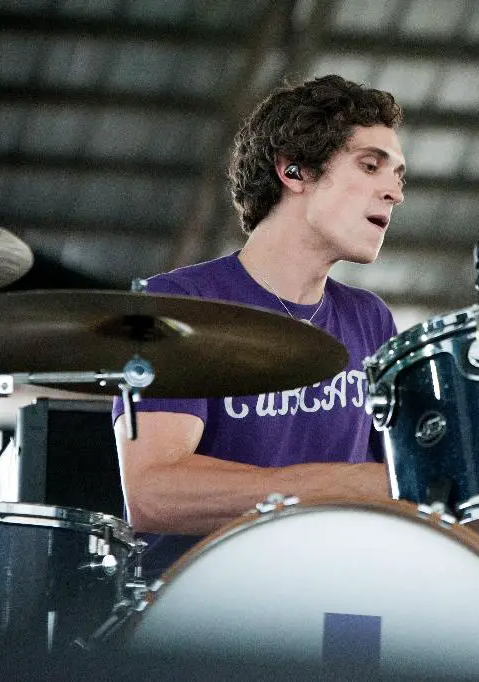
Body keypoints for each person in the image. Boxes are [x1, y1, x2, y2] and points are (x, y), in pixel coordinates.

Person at [112, 74, 406, 577]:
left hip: (335, 596)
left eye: (399, 176)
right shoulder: (180, 302)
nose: (394, 193)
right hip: (197, 603)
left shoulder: (371, 319)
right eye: (370, 165)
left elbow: (407, 489)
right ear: (294, 170)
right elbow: (153, 493)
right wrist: (342, 486)